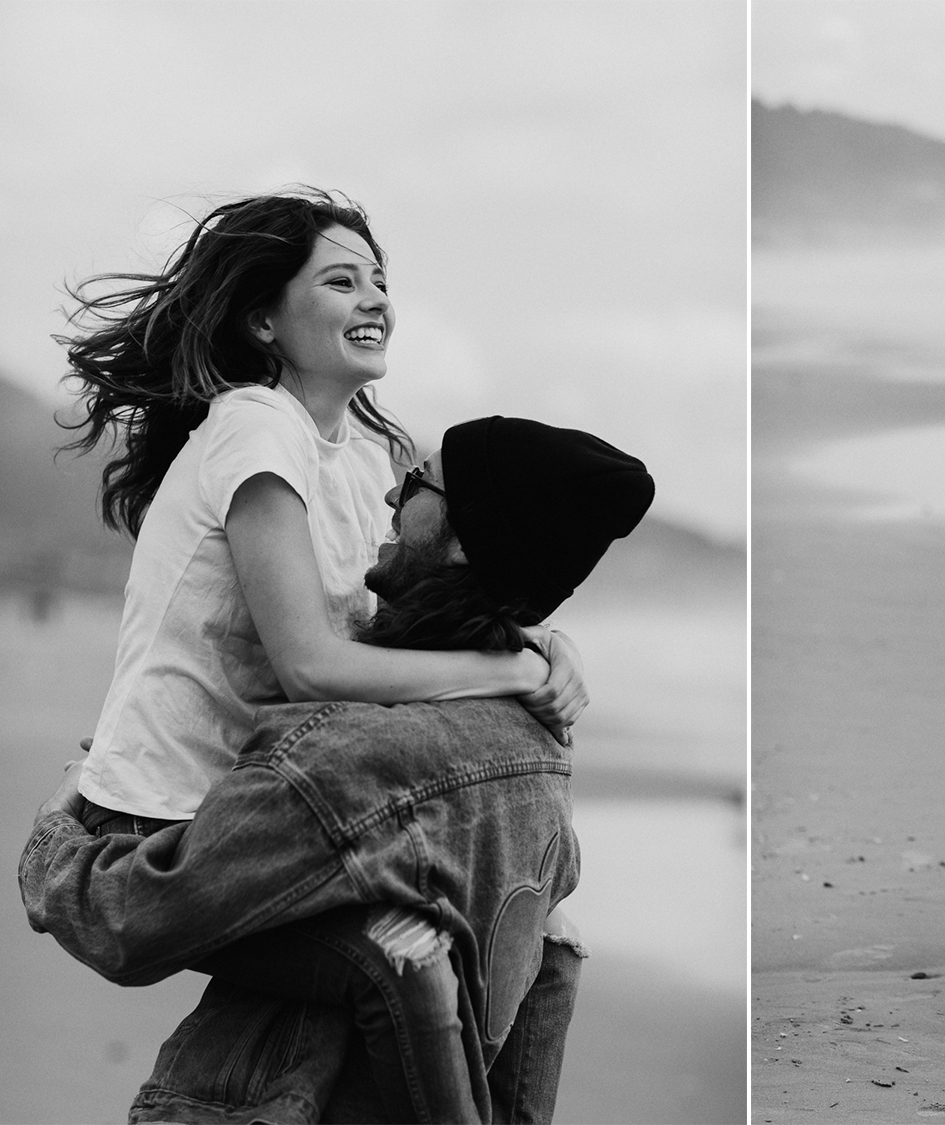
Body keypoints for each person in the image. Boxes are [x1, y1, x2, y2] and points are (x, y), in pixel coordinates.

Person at [47, 189, 589, 1118]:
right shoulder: (258, 429)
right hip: (166, 830)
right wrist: (508, 673)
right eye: (343, 281)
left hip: (283, 815)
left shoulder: (363, 453)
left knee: (545, 937)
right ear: (264, 317)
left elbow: (393, 632)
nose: (376, 298)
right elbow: (312, 665)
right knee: (401, 964)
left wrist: (538, 638)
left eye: (381, 280)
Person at [23, 414, 655, 1121]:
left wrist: (53, 837)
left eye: (418, 481)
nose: (391, 497)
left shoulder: (345, 759)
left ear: (463, 540)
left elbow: (127, 920)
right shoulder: (543, 748)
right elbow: (549, 961)